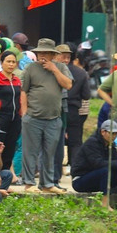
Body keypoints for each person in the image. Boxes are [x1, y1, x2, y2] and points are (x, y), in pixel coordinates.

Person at [21, 38, 73, 193]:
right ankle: (29, 184)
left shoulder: (61, 68)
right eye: (40, 52)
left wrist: (54, 69)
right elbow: (23, 91)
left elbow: (68, 85)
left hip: (53, 118)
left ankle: (47, 184)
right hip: (33, 117)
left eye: (46, 53)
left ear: (53, 55)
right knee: (30, 152)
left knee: (50, 152)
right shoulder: (31, 68)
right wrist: (24, 112)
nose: (42, 55)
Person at [71, 119, 117, 205]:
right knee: (106, 171)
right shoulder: (92, 143)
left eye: (116, 134)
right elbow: (97, 163)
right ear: (103, 132)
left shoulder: (111, 145)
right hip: (81, 180)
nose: (114, 136)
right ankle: (105, 204)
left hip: (97, 179)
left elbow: (116, 160)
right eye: (112, 133)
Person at [0, 50, 23, 176]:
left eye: (13, 62)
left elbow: (20, 99)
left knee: (11, 145)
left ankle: (6, 173)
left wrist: (20, 113)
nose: (11, 64)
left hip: (15, 119)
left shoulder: (17, 80)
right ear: (2, 63)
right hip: (0, 118)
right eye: (8, 61)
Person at [61, 44, 93, 165]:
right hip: (73, 110)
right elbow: (86, 95)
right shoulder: (81, 73)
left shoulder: (55, 70)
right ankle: (74, 167)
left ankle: (56, 171)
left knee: (55, 139)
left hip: (56, 109)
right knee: (75, 141)